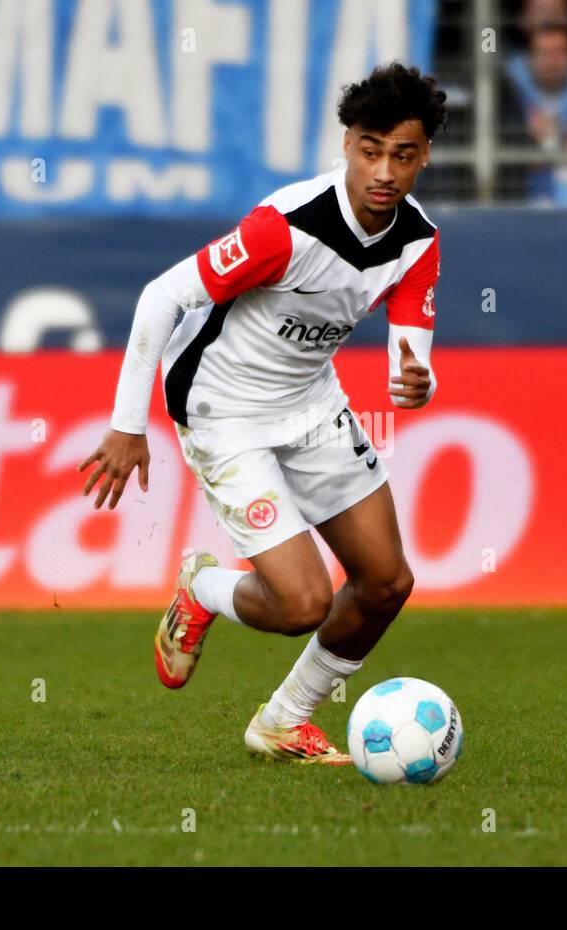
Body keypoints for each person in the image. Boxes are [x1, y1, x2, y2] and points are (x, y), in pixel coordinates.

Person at [78, 63, 446, 765]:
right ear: (347, 144)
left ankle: (282, 722)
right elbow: (161, 296)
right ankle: (205, 587)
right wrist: (129, 424)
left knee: (387, 582)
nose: (386, 171)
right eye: (371, 149)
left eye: (404, 154)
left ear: (424, 154)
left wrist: (416, 383)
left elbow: (410, 359)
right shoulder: (284, 228)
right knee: (302, 604)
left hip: (310, 403)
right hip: (224, 408)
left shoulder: (419, 242)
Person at [501, 21, 567, 205]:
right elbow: (495, 167)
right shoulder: (509, 99)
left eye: (560, 53)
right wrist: (528, 147)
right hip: (525, 208)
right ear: (530, 58)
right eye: (544, 53)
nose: (552, 62)